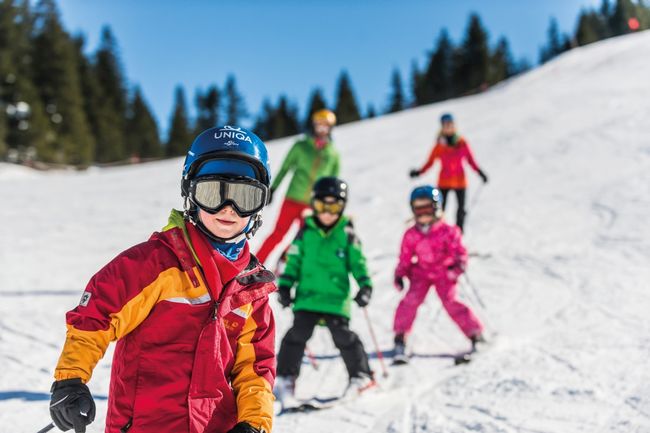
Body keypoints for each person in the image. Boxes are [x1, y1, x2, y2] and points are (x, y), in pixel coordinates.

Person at [49, 126, 277, 433]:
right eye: (212, 192)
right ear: (191, 194)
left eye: (245, 197)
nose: (228, 209)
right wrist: (70, 380)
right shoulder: (154, 264)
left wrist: (253, 424)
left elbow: (255, 370)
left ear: (259, 205)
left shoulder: (252, 292)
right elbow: (95, 315)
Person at [273, 177, 374, 407]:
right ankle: (285, 377)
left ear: (343, 207)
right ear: (313, 205)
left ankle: (361, 375)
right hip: (307, 298)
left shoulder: (347, 234)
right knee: (296, 335)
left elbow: (358, 264)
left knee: (343, 337)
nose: (327, 212)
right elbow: (294, 261)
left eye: (334, 206)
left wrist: (365, 285)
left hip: (335, 300)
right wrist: (286, 285)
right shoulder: (304, 232)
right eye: (322, 206)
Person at [392, 185, 484, 363]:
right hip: (421, 273)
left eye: (427, 208)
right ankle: (400, 338)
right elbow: (405, 257)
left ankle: (475, 334)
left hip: (444, 272)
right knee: (409, 302)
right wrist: (400, 274)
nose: (423, 213)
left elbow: (461, 253)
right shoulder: (411, 234)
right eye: (419, 209)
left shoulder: (448, 232)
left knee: (451, 302)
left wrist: (457, 268)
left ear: (437, 208)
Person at [256, 109, 340, 264]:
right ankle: (254, 264)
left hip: (312, 205)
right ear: (313, 125)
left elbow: (333, 183)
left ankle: (284, 262)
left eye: (325, 126)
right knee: (278, 234)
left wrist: (330, 205)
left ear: (330, 128)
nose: (321, 129)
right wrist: (272, 188)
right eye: (319, 125)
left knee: (304, 238)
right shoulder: (300, 146)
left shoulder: (332, 154)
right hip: (292, 199)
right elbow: (285, 168)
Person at [409, 113, 488, 232]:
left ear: (454, 125)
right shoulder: (439, 145)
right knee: (439, 209)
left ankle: (458, 237)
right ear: (442, 127)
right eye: (445, 125)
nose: (448, 127)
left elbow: (471, 160)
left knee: (460, 210)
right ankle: (438, 233)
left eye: (450, 124)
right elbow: (430, 162)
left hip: (460, 182)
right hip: (444, 182)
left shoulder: (462, 143)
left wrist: (480, 172)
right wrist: (419, 172)